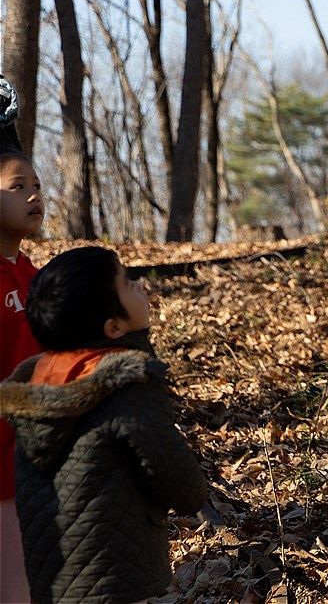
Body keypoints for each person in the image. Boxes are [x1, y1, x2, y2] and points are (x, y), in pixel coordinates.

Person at [0, 246, 207, 604]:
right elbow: (180, 483)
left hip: (53, 580)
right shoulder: (127, 384)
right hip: (118, 575)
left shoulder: (36, 384)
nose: (139, 286)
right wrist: (189, 496)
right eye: (127, 283)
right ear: (114, 327)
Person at [0, 147, 43, 604]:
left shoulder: (37, 278)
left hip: (37, 462)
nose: (33, 194)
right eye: (18, 186)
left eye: (36, 185)